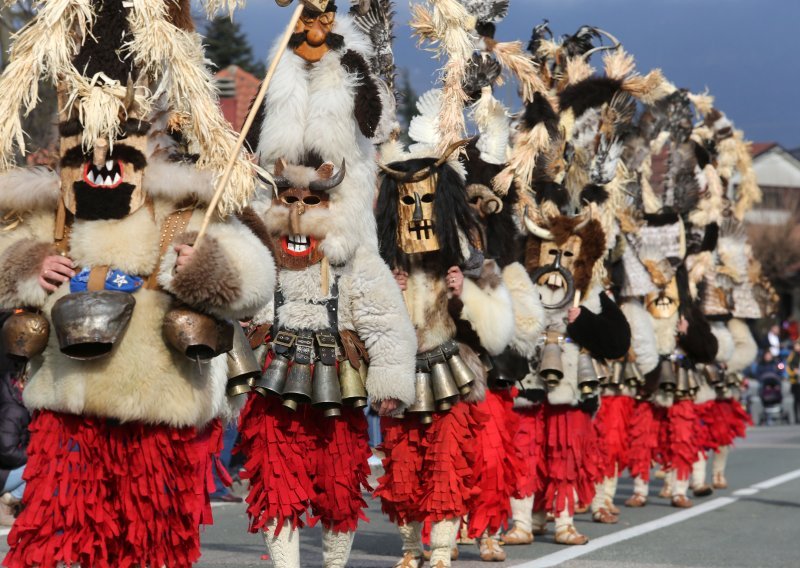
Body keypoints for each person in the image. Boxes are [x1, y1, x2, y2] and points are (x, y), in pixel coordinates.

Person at [0, 367, 30, 526]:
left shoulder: (15, 401)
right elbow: (7, 452)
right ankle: (6, 504)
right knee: (39, 465)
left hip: (5, 471)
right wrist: (33, 452)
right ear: (23, 382)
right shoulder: (13, 410)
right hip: (3, 473)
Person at [787, 340, 800, 422]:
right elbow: (789, 367)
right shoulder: (792, 355)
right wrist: (795, 373)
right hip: (795, 381)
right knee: (796, 400)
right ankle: (796, 418)